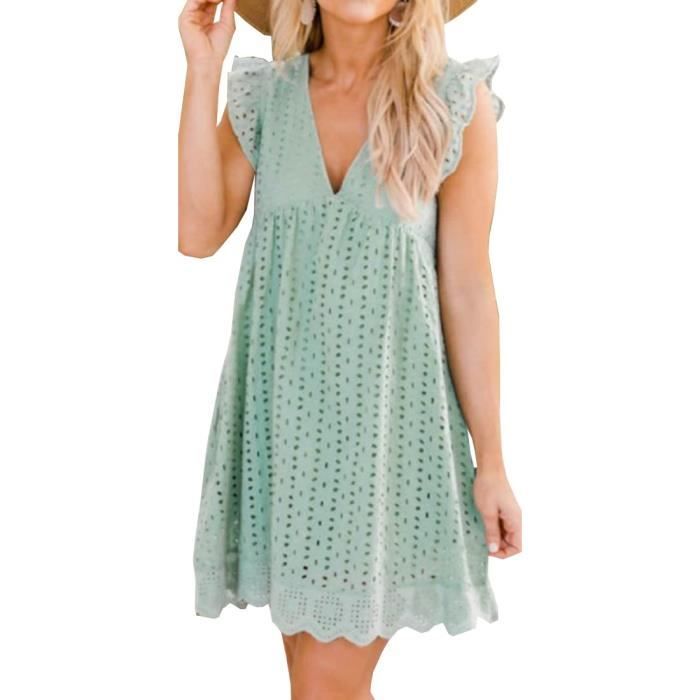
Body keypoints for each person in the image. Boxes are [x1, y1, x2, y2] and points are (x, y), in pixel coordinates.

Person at [178, 0, 522, 696]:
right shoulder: (266, 99)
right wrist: (203, 71)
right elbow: (198, 231)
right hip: (282, 442)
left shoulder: (453, 103)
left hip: (388, 449)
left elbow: (468, 292)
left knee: (323, 687)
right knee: (319, 686)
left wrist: (491, 462)